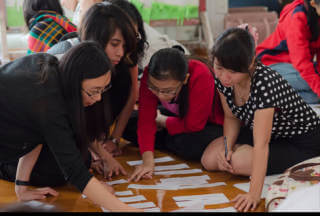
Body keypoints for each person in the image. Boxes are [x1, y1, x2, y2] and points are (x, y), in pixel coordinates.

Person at [0, 41, 140, 211]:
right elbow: (75, 172)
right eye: (94, 91)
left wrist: (21, 187)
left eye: (102, 90)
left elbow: (37, 132)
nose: (98, 99)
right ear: (75, 82)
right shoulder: (48, 100)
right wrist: (125, 209)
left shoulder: (52, 68)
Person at [201, 27, 320, 212]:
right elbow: (231, 116)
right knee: (210, 158)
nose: (224, 77)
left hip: (301, 142)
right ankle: (239, 151)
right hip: (269, 133)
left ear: (250, 64)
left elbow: (261, 145)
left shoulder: (264, 83)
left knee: (237, 162)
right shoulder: (223, 80)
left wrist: (254, 194)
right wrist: (227, 148)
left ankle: (244, 153)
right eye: (219, 68)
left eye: (232, 71)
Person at [48, 2, 140, 159]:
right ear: (95, 37)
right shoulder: (64, 57)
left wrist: (113, 141)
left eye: (124, 46)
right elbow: (53, 122)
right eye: (114, 44)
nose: (120, 52)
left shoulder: (121, 60)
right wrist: (92, 153)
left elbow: (132, 96)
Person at [128, 48, 224, 182]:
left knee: (187, 142)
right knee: (131, 121)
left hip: (207, 123)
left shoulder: (200, 73)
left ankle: (166, 137)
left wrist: (163, 121)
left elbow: (194, 125)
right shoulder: (149, 75)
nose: (160, 95)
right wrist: (147, 161)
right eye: (154, 88)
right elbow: (145, 120)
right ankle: (167, 138)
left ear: (185, 79)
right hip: (179, 116)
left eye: (168, 91)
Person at [256, 0, 320, 104]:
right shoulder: (296, 17)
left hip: (293, 67)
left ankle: (274, 95)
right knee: (311, 83)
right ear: (313, 3)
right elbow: (301, 62)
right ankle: (266, 94)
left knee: (314, 95)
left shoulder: (317, 14)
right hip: (270, 65)